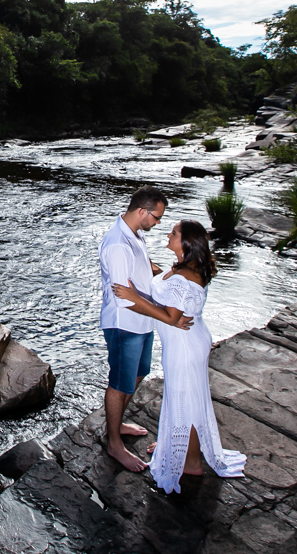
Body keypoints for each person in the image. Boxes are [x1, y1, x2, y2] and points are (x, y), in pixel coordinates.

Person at [112, 220, 246, 493]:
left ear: (186, 242)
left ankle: (192, 462)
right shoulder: (186, 266)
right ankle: (178, 444)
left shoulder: (186, 276)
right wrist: (144, 264)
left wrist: (133, 297)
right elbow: (166, 288)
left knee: (187, 402)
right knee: (184, 398)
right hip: (186, 342)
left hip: (185, 346)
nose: (168, 234)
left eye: (173, 233)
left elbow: (172, 317)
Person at [99, 186, 192, 472]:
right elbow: (124, 299)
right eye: (157, 217)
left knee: (139, 373)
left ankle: (115, 424)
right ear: (142, 211)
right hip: (124, 324)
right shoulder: (117, 245)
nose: (159, 223)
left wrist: (168, 275)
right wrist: (169, 318)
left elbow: (143, 265)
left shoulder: (135, 233)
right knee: (120, 383)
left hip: (142, 322)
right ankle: (114, 444)